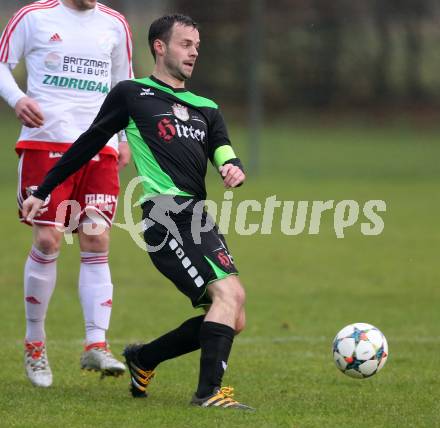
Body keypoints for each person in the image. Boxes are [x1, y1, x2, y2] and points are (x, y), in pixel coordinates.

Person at [22, 14, 254, 410]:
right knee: (226, 296)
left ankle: (143, 359)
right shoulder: (132, 93)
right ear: (159, 47)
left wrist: (233, 167)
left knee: (234, 314)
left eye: (197, 45)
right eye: (185, 43)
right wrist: (44, 190)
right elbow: (88, 143)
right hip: (165, 215)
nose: (194, 51)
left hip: (197, 216)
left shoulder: (207, 107)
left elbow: (222, 147)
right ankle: (209, 393)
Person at [0, 0, 133, 387]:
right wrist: (17, 98)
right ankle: (35, 344)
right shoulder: (34, 16)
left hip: (99, 148)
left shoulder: (115, 24)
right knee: (47, 238)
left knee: (96, 236)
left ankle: (96, 342)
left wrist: (122, 137)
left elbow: (121, 88)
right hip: (45, 144)